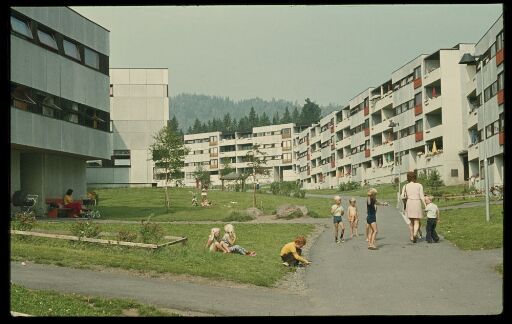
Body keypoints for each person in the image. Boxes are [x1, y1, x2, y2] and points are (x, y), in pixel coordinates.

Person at [401, 171, 427, 243]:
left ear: (408, 178)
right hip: (417, 202)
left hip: (409, 203)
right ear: (415, 177)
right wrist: (425, 205)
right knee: (416, 221)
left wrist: (405, 198)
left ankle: (412, 236)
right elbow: (422, 196)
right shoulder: (419, 185)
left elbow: (402, 196)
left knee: (410, 222)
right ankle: (415, 233)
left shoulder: (405, 186)